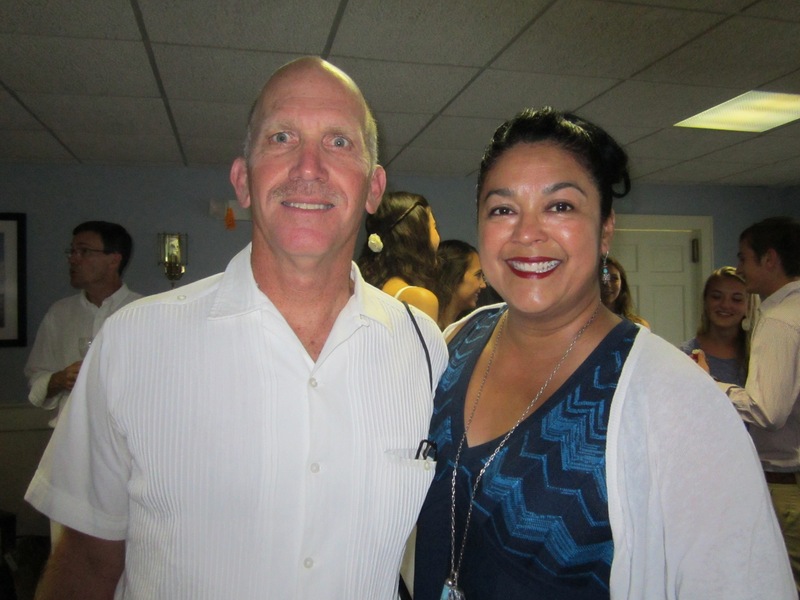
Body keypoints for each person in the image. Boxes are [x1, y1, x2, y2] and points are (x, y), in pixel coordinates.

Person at [25, 56, 447, 599]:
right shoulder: (132, 343)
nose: (309, 167)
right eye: (282, 138)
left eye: (339, 142)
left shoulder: (424, 347)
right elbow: (86, 563)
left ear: (373, 187)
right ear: (243, 180)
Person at [413, 107, 793, 599]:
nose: (527, 233)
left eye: (560, 206)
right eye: (503, 209)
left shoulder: (676, 400)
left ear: (606, 230)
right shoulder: (456, 342)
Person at [701, 217, 800, 590]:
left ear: (769, 259)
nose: (740, 268)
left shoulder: (779, 321)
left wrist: (708, 385)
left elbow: (767, 412)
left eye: (744, 258)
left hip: (785, 486)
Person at [24, 220, 141, 429]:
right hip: (70, 436)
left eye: (84, 251)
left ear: (114, 260)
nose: (73, 259)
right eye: (72, 251)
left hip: (127, 435)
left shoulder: (143, 311)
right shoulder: (60, 314)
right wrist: (59, 379)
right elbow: (36, 379)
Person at [357, 191, 440, 321]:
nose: (438, 237)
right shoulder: (420, 299)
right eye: (434, 227)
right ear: (418, 235)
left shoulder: (361, 290)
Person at [680, 266, 749, 386]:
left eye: (736, 299)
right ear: (705, 300)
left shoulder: (757, 355)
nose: (725, 305)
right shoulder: (685, 355)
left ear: (749, 305)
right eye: (717, 297)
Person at [435, 240, 486, 329]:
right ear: (454, 275)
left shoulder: (472, 329)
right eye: (478, 275)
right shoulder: (425, 325)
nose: (483, 285)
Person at [600, 254, 649, 328]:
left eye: (614, 279)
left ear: (622, 283)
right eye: (602, 279)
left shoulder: (637, 325)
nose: (608, 285)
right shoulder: (583, 324)